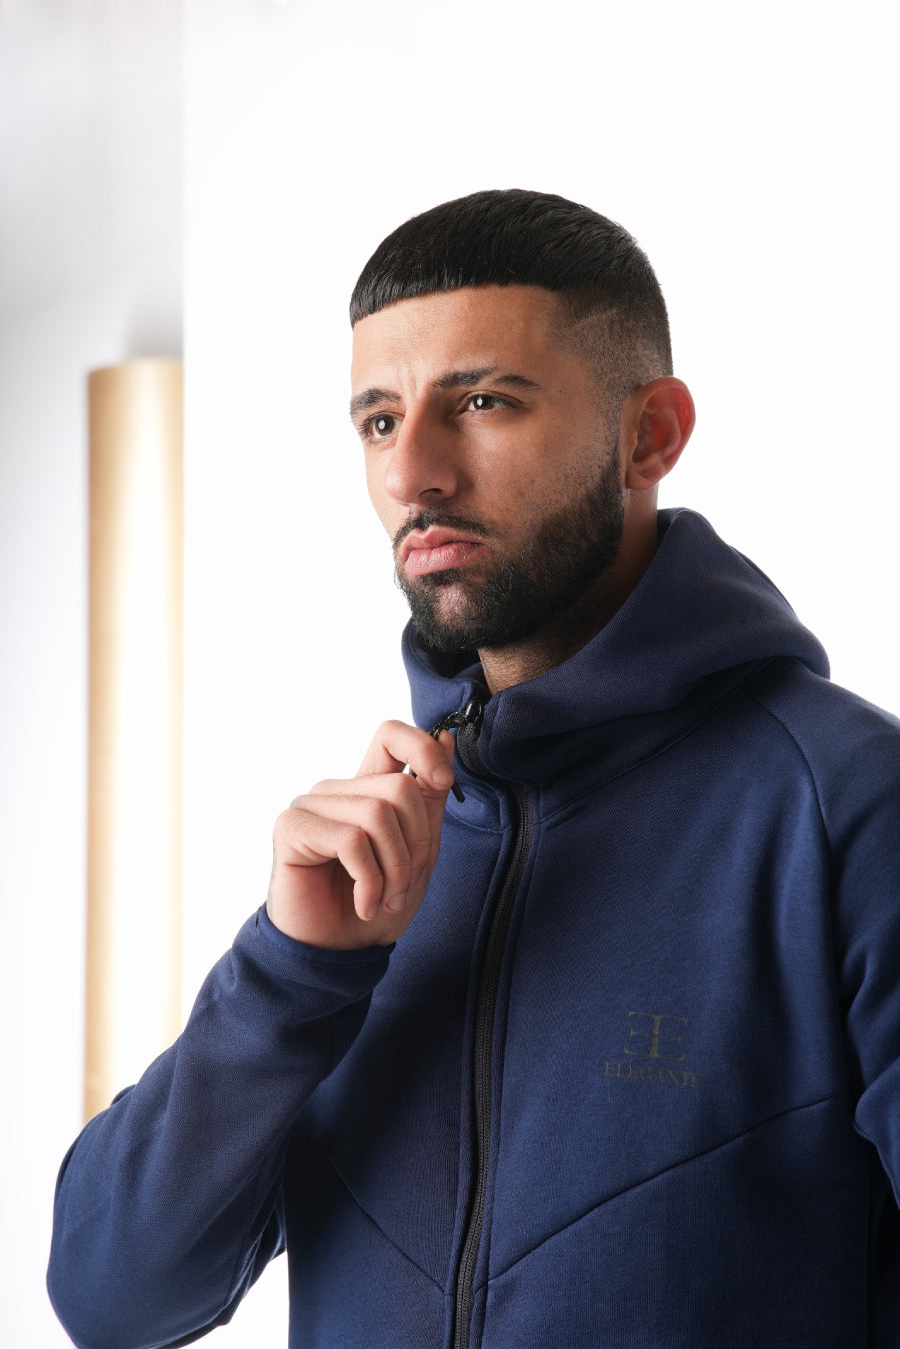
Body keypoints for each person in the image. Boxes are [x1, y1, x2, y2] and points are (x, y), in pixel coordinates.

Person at [49, 189, 900, 1349]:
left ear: (649, 434)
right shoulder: (369, 866)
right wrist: (296, 972)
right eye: (379, 422)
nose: (416, 474)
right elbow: (113, 1297)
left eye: (484, 401)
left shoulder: (848, 806)